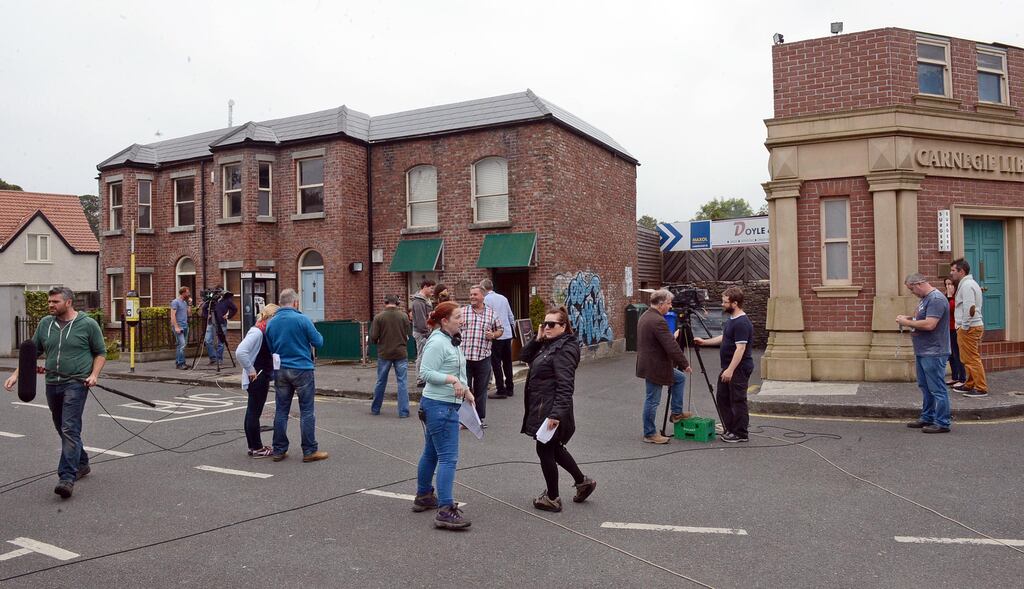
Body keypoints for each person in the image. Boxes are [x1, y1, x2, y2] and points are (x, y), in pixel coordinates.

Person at [4, 287, 106, 499]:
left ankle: (66, 478)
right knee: (62, 426)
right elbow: (31, 354)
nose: (50, 305)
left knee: (69, 427)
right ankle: (82, 462)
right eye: (49, 301)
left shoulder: (88, 324)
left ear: (68, 302)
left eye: (55, 302)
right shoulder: (45, 324)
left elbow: (100, 353)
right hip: (52, 383)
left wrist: (94, 375)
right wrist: (16, 375)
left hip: (76, 383)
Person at [520, 307, 596, 513]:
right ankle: (583, 482)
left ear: (563, 326)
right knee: (554, 448)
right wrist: (537, 339)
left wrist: (555, 415)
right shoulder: (548, 344)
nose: (547, 327)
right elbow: (524, 356)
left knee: (544, 449)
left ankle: (552, 498)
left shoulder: (564, 349)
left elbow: (565, 386)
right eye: (545, 323)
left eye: (551, 324)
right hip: (542, 406)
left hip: (551, 409)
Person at [414, 301, 474, 530]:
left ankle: (424, 496)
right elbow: (425, 373)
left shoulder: (452, 339)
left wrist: (466, 389)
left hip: (443, 405)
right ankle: (445, 510)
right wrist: (453, 381)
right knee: (448, 458)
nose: (462, 320)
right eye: (458, 317)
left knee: (431, 452)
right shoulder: (437, 342)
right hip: (440, 406)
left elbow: (457, 369)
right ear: (444, 321)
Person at [265, 288, 328, 462]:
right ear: (295, 302)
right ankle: (309, 451)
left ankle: (279, 450)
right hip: (302, 369)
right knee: (307, 410)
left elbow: (270, 346)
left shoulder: (271, 322)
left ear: (280, 303)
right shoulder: (303, 319)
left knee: (281, 410)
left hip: (281, 369)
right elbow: (318, 342)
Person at [694, 287, 755, 443]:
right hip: (728, 367)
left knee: (737, 400)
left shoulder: (741, 323)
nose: (722, 304)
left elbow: (740, 348)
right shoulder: (732, 320)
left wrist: (730, 370)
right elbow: (725, 337)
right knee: (723, 398)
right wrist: (705, 342)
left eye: (725, 302)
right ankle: (731, 428)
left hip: (738, 368)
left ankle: (740, 433)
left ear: (735, 303)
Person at [635, 289, 691, 444]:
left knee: (679, 378)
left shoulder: (646, 316)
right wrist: (685, 364)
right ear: (661, 304)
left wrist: (670, 337)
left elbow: (656, 340)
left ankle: (676, 413)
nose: (670, 306)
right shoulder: (658, 320)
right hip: (655, 366)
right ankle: (650, 433)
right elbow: (671, 346)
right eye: (669, 303)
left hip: (650, 363)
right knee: (652, 400)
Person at [898, 274, 952, 434]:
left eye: (911, 289)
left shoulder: (936, 299)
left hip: (934, 351)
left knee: (937, 388)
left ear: (919, 284)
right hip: (923, 350)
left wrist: (906, 322)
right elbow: (922, 318)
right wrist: (909, 318)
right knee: (926, 387)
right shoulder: (925, 299)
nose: (912, 292)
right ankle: (928, 417)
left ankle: (942, 422)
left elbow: (930, 324)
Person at [236, 303, 279, 458]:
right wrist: (250, 369)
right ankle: (256, 448)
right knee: (254, 412)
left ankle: (253, 446)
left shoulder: (262, 330)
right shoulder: (257, 332)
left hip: (260, 375)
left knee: (252, 412)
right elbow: (240, 351)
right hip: (258, 377)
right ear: (271, 317)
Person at [461, 285, 503, 427]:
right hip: (464, 357)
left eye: (475, 294)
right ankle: (465, 420)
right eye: (471, 294)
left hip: (483, 357)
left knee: (481, 391)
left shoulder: (492, 314)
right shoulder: (462, 312)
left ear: (482, 296)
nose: (472, 297)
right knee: (465, 389)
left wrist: (493, 335)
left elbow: (500, 330)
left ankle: (479, 419)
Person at [370, 294, 413, 418]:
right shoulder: (404, 316)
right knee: (402, 382)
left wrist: (377, 341)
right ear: (397, 303)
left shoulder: (379, 317)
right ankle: (403, 412)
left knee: (381, 381)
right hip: (401, 353)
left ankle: (375, 409)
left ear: (385, 302)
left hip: (384, 353)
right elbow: (408, 334)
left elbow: (373, 337)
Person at [950, 259, 988, 398]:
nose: (951, 273)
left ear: (961, 271)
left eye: (953, 270)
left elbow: (969, 308)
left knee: (971, 358)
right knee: (967, 357)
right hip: (970, 326)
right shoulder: (967, 284)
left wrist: (964, 327)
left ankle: (981, 387)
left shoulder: (967, 285)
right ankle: (970, 383)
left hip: (969, 327)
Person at [481, 278, 517, 399]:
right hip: (507, 334)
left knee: (496, 363)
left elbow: (486, 318)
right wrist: (512, 330)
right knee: (507, 362)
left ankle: (501, 389)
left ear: (483, 288)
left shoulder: (485, 300)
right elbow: (511, 316)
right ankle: (510, 388)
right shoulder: (503, 298)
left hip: (495, 334)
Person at [410, 279, 435, 389]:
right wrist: (427, 333)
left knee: (425, 355)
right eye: (431, 288)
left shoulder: (425, 300)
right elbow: (421, 321)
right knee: (421, 355)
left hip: (425, 332)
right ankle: (420, 379)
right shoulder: (419, 302)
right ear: (424, 287)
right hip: (421, 333)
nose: (432, 290)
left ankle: (424, 377)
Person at [944, 278, 966, 388]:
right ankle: (954, 376)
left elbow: (951, 308)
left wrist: (949, 296)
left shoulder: (957, 296)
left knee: (957, 354)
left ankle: (962, 378)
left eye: (950, 284)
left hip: (956, 328)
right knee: (951, 355)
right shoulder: (945, 297)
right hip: (947, 329)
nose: (948, 287)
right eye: (946, 284)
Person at [169, 286, 192, 369]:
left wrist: (190, 304)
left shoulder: (185, 302)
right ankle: (181, 363)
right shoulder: (175, 302)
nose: (189, 294)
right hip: (178, 326)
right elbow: (172, 316)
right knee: (182, 344)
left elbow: (189, 314)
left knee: (181, 345)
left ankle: (178, 362)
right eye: (188, 292)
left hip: (185, 325)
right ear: (183, 293)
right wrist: (176, 327)